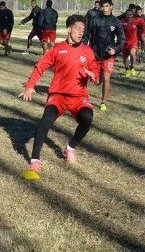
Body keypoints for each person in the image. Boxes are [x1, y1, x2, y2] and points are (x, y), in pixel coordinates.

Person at [19, 14, 100, 177]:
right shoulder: (57, 49)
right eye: (78, 29)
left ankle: (70, 148)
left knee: (87, 118)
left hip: (78, 97)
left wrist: (94, 75)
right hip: (58, 96)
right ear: (69, 29)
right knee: (45, 121)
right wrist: (30, 85)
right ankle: (34, 160)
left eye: (83, 30)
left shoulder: (88, 51)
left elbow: (96, 74)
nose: (81, 32)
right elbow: (40, 66)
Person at [84, 0, 125, 111]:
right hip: (94, 54)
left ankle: (103, 102)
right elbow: (86, 35)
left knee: (107, 78)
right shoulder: (94, 20)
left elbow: (122, 40)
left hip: (108, 55)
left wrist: (115, 49)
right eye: (102, 6)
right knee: (95, 81)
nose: (104, 9)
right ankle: (82, 96)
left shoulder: (116, 22)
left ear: (111, 6)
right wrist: (83, 48)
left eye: (107, 6)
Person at [120, 6, 145, 76]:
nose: (129, 16)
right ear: (125, 15)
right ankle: (127, 69)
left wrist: (144, 32)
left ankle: (132, 68)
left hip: (133, 41)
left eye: (130, 15)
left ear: (132, 15)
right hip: (125, 42)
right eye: (127, 15)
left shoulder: (136, 20)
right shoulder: (122, 21)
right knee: (125, 58)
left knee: (132, 53)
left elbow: (143, 22)